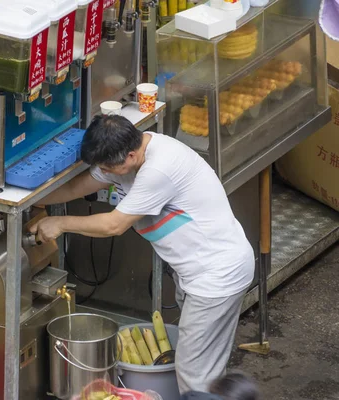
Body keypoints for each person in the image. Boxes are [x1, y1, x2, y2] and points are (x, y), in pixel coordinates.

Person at [30, 115, 255, 394]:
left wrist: (60, 224)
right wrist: (32, 200)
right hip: (197, 272)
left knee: (195, 376)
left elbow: (114, 224)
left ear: (131, 155)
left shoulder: (159, 169)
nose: (105, 173)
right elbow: (79, 186)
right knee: (202, 368)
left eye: (108, 168)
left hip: (217, 275)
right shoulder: (127, 154)